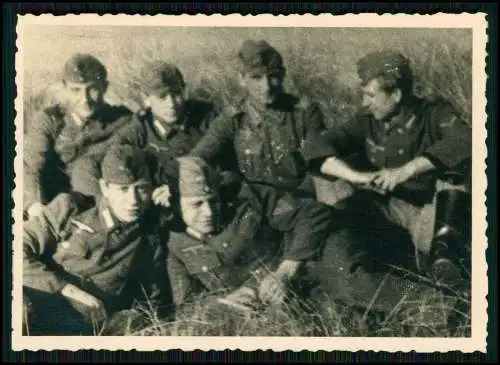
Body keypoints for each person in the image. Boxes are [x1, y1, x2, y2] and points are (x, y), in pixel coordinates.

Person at [188, 40, 339, 301]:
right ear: (242, 79)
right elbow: (198, 158)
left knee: (331, 276)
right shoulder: (232, 118)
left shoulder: (303, 113)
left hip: (301, 212)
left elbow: (320, 163)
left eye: (273, 77)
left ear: (283, 76)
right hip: (256, 215)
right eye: (256, 78)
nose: (266, 86)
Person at [317, 50, 472, 282]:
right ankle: (351, 258)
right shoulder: (366, 121)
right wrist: (357, 177)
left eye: (370, 96)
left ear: (396, 94)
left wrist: (406, 171)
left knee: (456, 173)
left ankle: (446, 259)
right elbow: (320, 144)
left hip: (430, 213)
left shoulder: (435, 113)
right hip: (388, 210)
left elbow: (465, 140)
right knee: (326, 176)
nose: (364, 103)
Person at [22, 144, 173, 336]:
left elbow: (152, 298)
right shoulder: (71, 209)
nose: (133, 200)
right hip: (37, 299)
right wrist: (64, 288)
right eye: (123, 189)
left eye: (141, 189)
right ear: (105, 188)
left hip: (82, 326)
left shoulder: (149, 239)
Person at [167, 156, 323, 310]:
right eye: (197, 204)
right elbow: (186, 304)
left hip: (299, 285)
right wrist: (224, 302)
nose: (208, 212)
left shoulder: (249, 198)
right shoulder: (174, 245)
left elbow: (312, 214)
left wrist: (286, 270)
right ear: (176, 205)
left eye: (213, 201)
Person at [69, 60, 219, 206]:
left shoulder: (207, 117)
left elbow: (230, 171)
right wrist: (109, 203)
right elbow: (88, 162)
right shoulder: (141, 127)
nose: (171, 103)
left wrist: (181, 185)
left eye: (177, 93)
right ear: (146, 99)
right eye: (162, 96)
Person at [23, 53, 133, 220]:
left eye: (93, 89)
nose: (85, 99)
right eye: (76, 90)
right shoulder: (49, 120)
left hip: (108, 208)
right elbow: (31, 167)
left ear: (105, 87)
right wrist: (33, 205)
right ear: (64, 88)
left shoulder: (123, 119)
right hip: (58, 207)